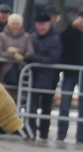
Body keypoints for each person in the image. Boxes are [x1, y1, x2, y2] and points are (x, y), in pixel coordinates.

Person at [57, 8, 83, 145]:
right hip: (70, 73)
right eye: (82, 17)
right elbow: (62, 41)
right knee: (65, 104)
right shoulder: (70, 32)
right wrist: (71, 27)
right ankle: (61, 133)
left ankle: (81, 135)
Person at [26, 11, 62, 141]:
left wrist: (33, 58)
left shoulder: (56, 38)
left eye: (44, 24)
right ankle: (30, 131)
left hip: (49, 78)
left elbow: (53, 58)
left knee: (46, 107)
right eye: (39, 24)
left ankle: (44, 133)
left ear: (49, 24)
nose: (41, 27)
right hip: (33, 76)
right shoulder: (32, 37)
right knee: (32, 105)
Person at [0, 13, 33, 100]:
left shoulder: (26, 37)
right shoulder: (1, 36)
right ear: (9, 24)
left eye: (17, 24)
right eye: (13, 24)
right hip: (4, 72)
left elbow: (30, 52)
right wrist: (12, 55)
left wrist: (22, 56)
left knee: (18, 97)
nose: (15, 26)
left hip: (20, 71)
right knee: (4, 96)